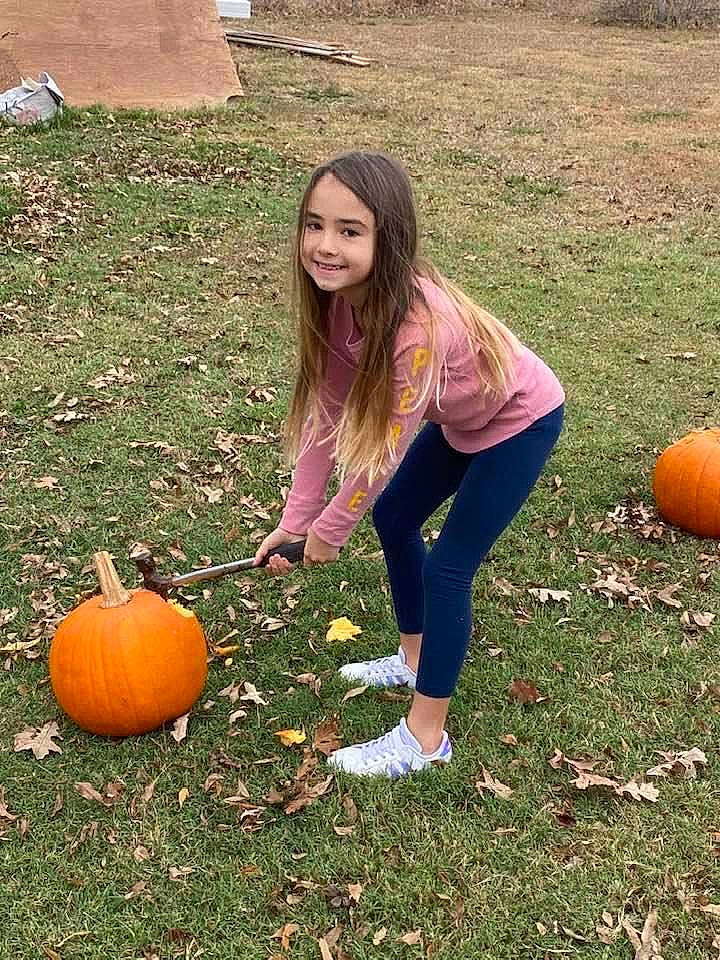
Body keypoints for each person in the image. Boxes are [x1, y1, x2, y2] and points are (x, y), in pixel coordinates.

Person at [254, 151, 564, 778]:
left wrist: (331, 530)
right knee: (396, 516)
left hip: (520, 421)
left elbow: (383, 450)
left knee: (450, 566)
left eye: (349, 231)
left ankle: (425, 737)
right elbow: (325, 415)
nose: (325, 245)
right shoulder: (337, 302)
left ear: (387, 239)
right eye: (314, 225)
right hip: (460, 421)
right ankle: (415, 656)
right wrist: (297, 520)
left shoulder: (415, 328)